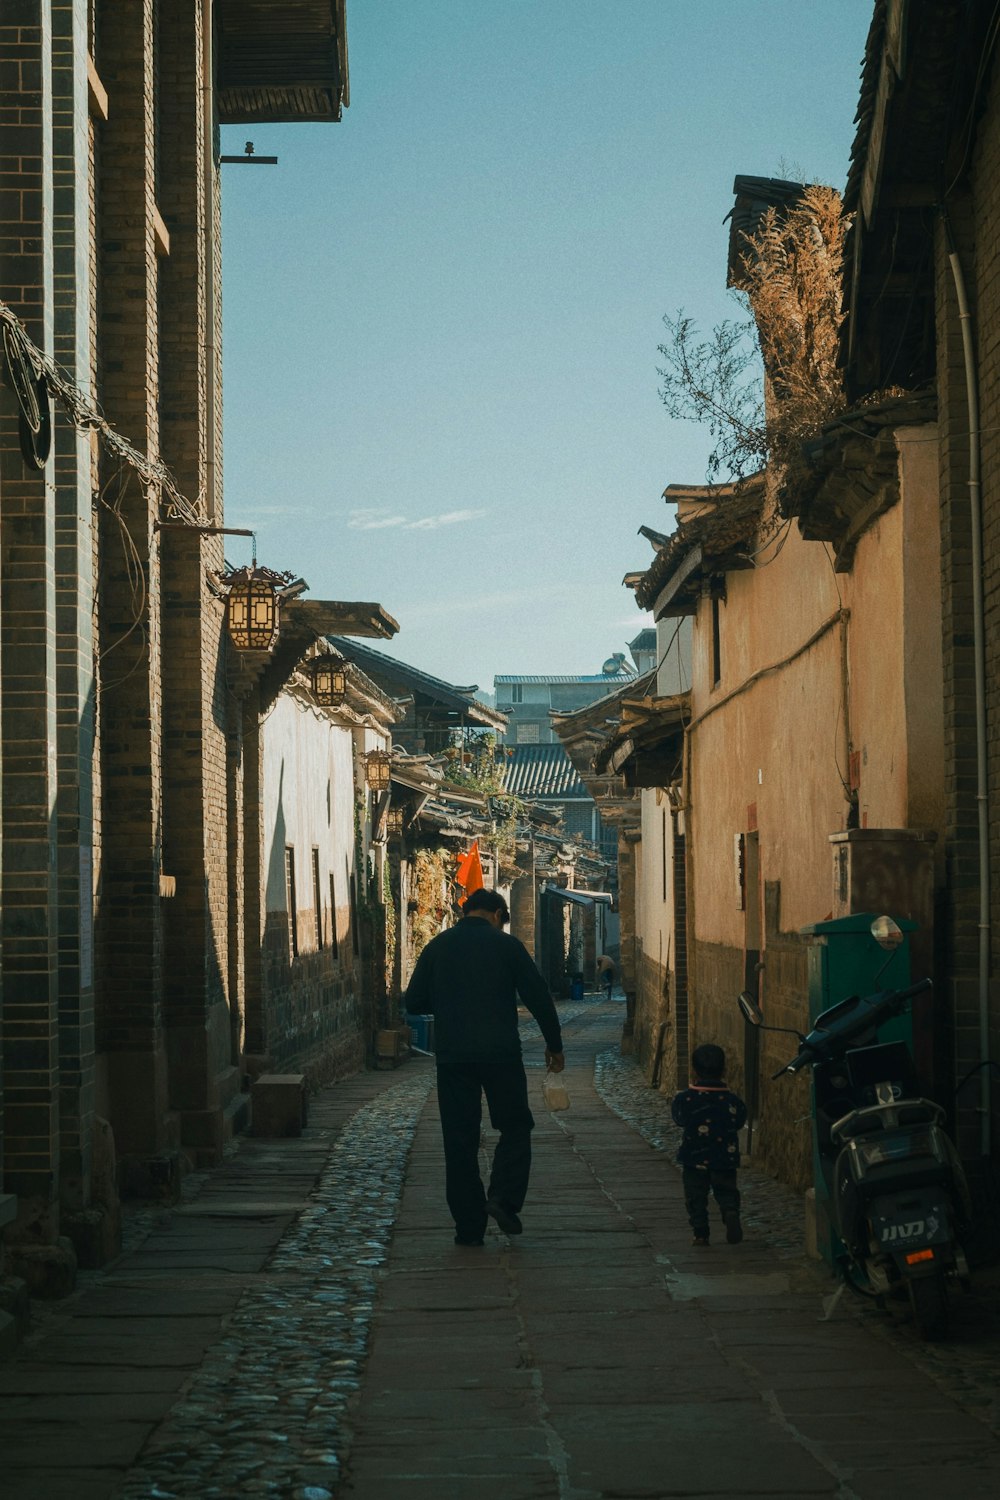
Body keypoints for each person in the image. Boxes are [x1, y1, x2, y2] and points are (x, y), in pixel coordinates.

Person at [404, 887, 565, 1246]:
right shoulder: (507, 947)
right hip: (501, 1054)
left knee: (459, 1140)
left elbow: (413, 1000)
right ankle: (503, 1200)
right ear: (496, 913)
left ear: (467, 911)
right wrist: (554, 1045)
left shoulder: (438, 946)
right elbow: (538, 996)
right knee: (516, 1126)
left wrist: (446, 1000)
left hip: (453, 1056)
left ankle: (468, 1228)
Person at [670, 1043, 747, 1247]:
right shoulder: (732, 1101)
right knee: (727, 1190)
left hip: (694, 1157)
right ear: (724, 1069)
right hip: (725, 1156)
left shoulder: (685, 1099)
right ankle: (730, 1211)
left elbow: (679, 1119)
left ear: (694, 1070)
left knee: (696, 1196)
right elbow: (739, 1121)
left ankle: (701, 1233)